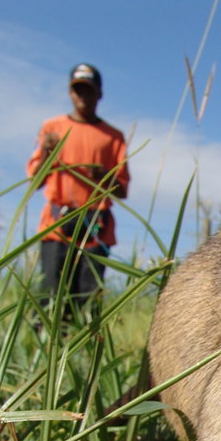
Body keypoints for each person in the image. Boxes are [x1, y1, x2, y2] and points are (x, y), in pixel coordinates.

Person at [27, 63, 130, 313]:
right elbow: (35, 180)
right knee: (51, 298)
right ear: (70, 93)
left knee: (87, 301)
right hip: (57, 226)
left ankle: (83, 349)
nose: (83, 96)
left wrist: (104, 176)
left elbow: (122, 189)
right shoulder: (53, 129)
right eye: (78, 90)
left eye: (89, 90)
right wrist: (48, 153)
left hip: (95, 229)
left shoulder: (113, 137)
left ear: (99, 94)